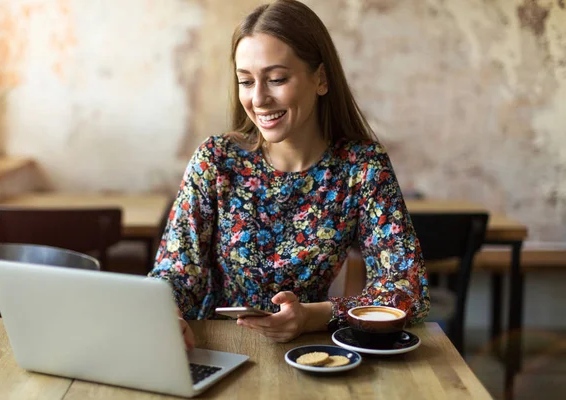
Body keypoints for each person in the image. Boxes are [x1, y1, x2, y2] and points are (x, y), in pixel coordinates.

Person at [148, 0, 429, 350]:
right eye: (246, 81)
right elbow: (176, 272)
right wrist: (168, 313)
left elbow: (407, 289)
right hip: (215, 347)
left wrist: (313, 316)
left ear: (321, 79)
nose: (260, 99)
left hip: (310, 352)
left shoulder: (362, 166)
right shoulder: (216, 160)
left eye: (277, 79)